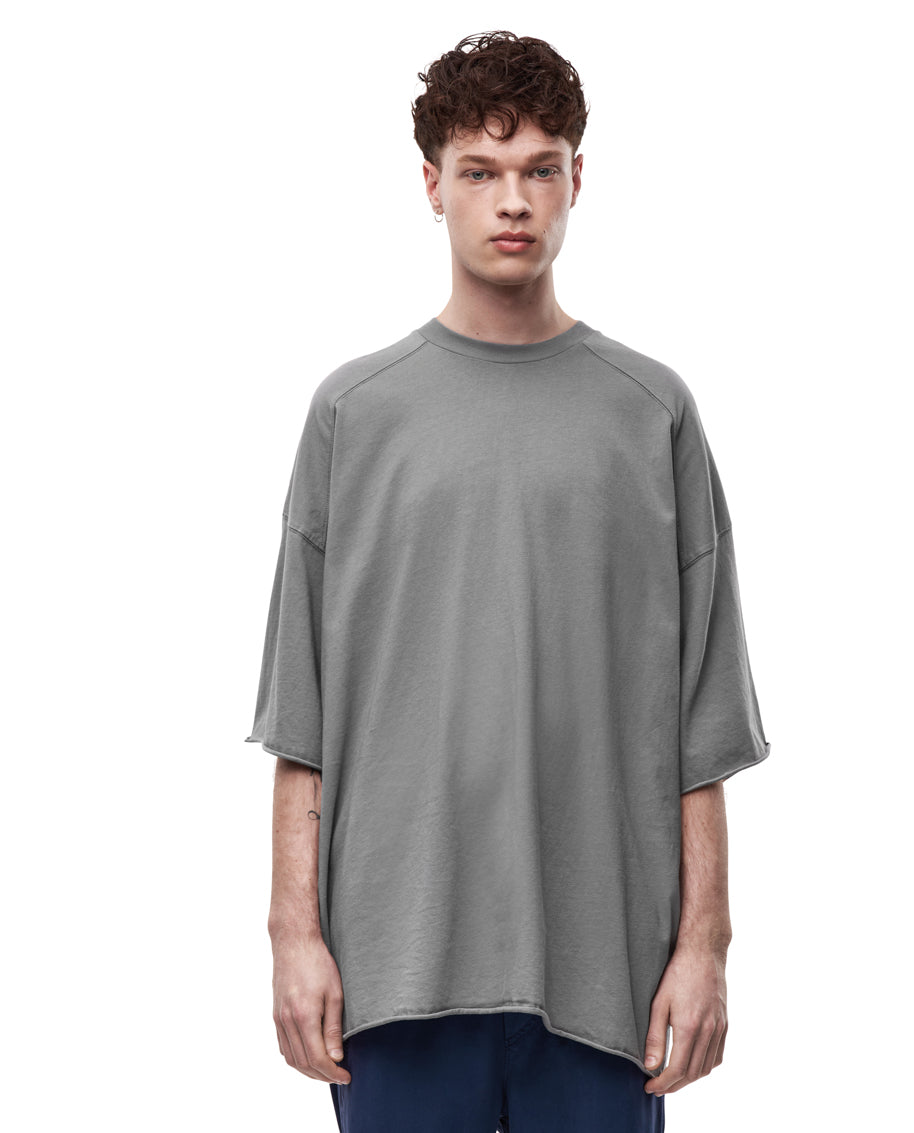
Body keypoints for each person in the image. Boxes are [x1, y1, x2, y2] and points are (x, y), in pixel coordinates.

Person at [245, 29, 771, 1133]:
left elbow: (703, 721)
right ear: (431, 185)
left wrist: (706, 945)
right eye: (480, 171)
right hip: (392, 964)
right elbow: (302, 716)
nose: (514, 200)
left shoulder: (652, 412)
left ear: (579, 180)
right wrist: (293, 933)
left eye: (540, 168)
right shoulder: (353, 414)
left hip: (607, 973)